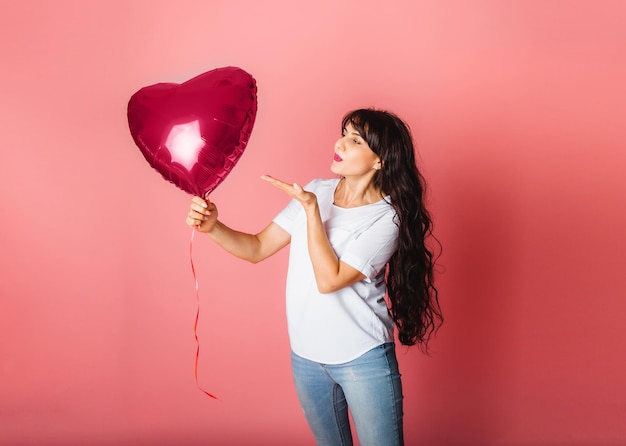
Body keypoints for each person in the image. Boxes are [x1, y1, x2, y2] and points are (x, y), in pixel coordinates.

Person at [186, 108, 442, 446]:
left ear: (379, 161)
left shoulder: (386, 218)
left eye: (355, 140)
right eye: (344, 134)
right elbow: (257, 248)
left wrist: (311, 211)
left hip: (362, 359)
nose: (341, 143)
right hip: (306, 359)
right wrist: (213, 228)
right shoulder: (317, 190)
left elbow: (330, 279)